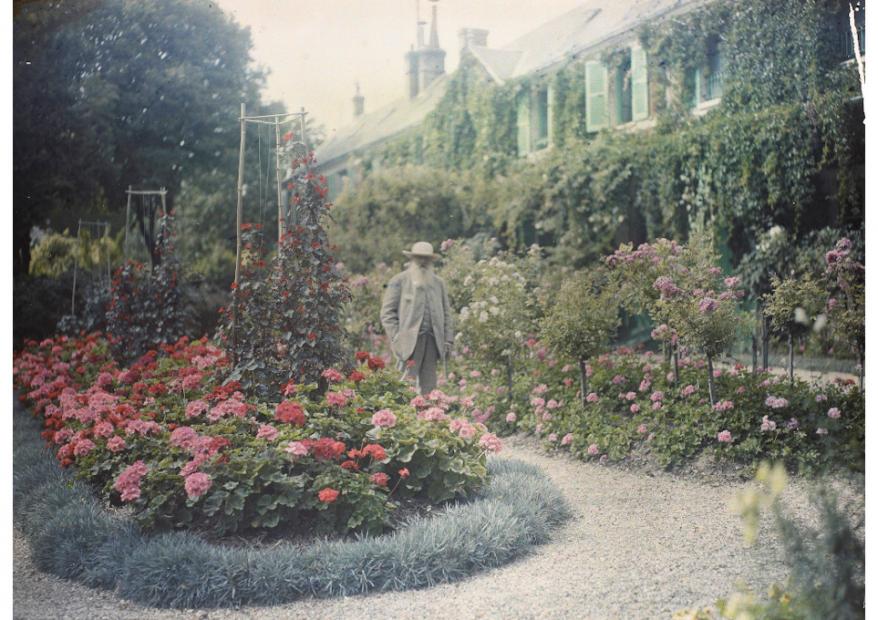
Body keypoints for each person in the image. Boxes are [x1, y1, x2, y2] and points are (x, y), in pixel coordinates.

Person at [380, 241, 453, 394]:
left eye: (426, 258)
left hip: (432, 342)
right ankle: (403, 417)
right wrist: (397, 337)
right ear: (412, 259)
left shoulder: (439, 284)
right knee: (405, 386)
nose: (422, 262)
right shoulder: (399, 281)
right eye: (419, 258)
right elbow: (387, 313)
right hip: (409, 343)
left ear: (431, 260)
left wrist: (448, 339)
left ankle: (429, 417)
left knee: (430, 388)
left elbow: (447, 314)